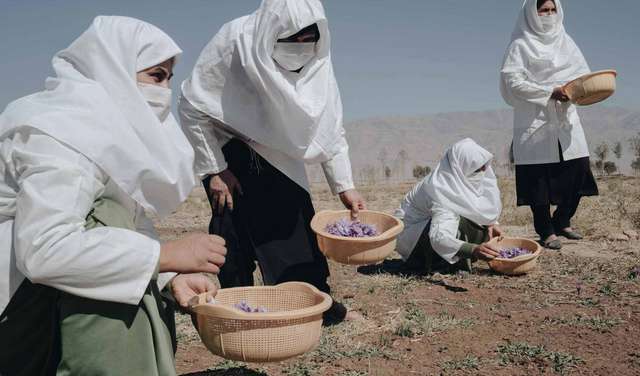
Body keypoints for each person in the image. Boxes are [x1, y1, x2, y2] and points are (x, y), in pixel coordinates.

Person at [0, 16, 226, 375]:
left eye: (169, 78)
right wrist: (165, 256)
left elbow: (130, 217)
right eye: (156, 76)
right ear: (114, 69)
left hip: (43, 293)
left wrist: (170, 277)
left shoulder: (108, 132)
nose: (165, 90)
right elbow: (44, 248)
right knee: (104, 216)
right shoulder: (59, 131)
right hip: (16, 305)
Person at [179, 0, 365, 323]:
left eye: (310, 41)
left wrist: (344, 186)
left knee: (295, 239)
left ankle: (317, 310)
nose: (303, 50)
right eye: (294, 42)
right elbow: (193, 105)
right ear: (271, 34)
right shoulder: (234, 43)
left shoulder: (318, 63)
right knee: (231, 240)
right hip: (228, 152)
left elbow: (329, 126)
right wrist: (215, 169)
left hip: (281, 160)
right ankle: (235, 314)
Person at [500, 0, 598, 250]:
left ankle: (562, 220)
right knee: (538, 179)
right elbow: (513, 81)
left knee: (579, 169)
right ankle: (545, 230)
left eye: (553, 10)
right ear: (532, 13)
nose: (549, 15)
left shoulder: (567, 42)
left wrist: (576, 91)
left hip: (566, 118)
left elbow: (583, 76)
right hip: (534, 119)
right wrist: (549, 91)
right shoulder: (520, 45)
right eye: (543, 10)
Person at [394, 139, 503, 274]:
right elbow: (439, 237)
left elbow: (478, 201)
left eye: (484, 165)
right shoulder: (440, 190)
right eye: (477, 168)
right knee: (461, 221)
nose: (484, 170)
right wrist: (473, 250)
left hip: (431, 229)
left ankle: (454, 260)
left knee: (478, 228)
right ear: (460, 168)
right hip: (413, 242)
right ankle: (435, 264)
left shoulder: (460, 179)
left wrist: (492, 223)